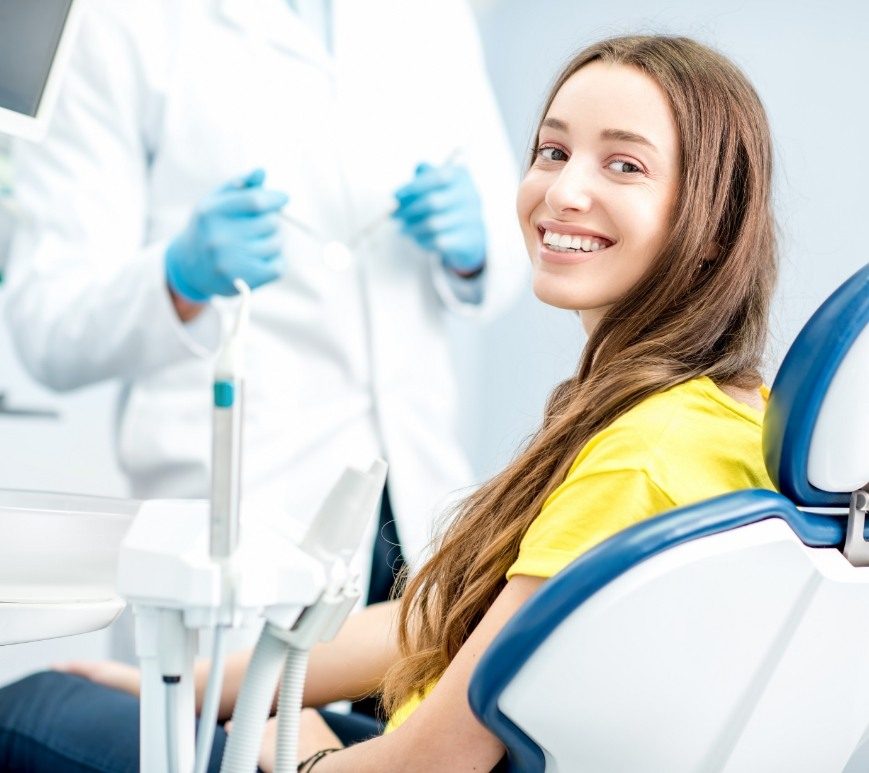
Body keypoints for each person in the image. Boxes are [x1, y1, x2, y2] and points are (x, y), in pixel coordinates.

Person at [0, 34, 778, 771]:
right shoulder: (717, 414)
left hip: (390, 725)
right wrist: (194, 687)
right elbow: (440, 619)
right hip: (277, 513)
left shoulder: (640, 454)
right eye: (551, 150)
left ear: (712, 219)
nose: (563, 189)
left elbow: (431, 760)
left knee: (28, 707)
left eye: (624, 166)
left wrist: (302, 752)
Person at [2, 0, 526, 615]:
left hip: (418, 503)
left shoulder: (433, 17)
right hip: (239, 515)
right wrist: (178, 278)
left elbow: (512, 234)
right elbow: (50, 324)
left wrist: (478, 246)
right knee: (237, 709)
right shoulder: (119, 22)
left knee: (411, 699)